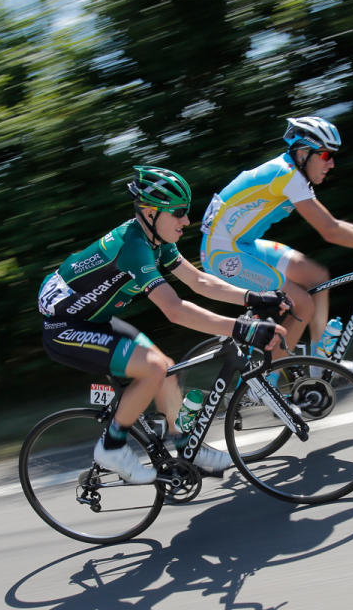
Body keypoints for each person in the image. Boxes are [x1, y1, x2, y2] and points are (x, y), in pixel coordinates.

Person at [38, 165, 289, 485]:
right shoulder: (134, 248)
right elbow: (174, 309)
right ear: (149, 212)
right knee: (154, 368)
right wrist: (242, 328)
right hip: (64, 330)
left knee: (166, 370)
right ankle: (111, 446)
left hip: (93, 321)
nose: (187, 220)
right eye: (179, 213)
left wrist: (253, 297)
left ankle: (186, 447)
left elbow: (198, 281)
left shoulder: (157, 239)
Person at [199, 115, 353, 361]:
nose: (331, 164)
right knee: (303, 303)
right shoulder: (287, 175)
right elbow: (331, 231)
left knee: (316, 276)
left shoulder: (294, 174)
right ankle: (269, 382)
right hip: (222, 254)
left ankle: (320, 361)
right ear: (303, 153)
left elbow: (335, 225)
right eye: (326, 155)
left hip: (241, 245)